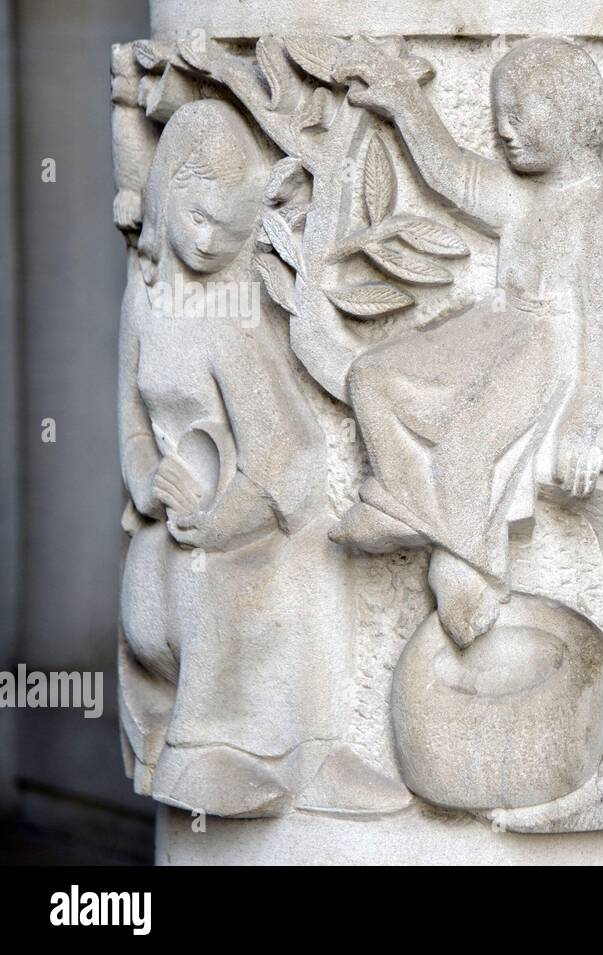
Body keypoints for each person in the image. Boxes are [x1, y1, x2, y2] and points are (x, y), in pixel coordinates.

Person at [329, 38, 603, 648]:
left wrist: (590, 421)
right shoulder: (523, 192)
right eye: (499, 114)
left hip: (545, 349)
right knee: (370, 378)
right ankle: (408, 506)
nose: (503, 130)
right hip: (495, 328)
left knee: (466, 454)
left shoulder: (599, 210)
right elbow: (452, 174)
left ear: (573, 114)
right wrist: (405, 103)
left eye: (520, 114)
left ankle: (472, 571)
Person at [118, 99, 373, 816]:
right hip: (175, 512)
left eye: (227, 230)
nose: (206, 243)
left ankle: (246, 762)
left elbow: (288, 452)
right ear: (167, 196)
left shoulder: (232, 320)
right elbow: (132, 425)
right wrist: (149, 479)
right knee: (158, 582)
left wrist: (229, 515)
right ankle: (187, 745)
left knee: (211, 585)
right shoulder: (142, 303)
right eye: (196, 219)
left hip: (254, 518)